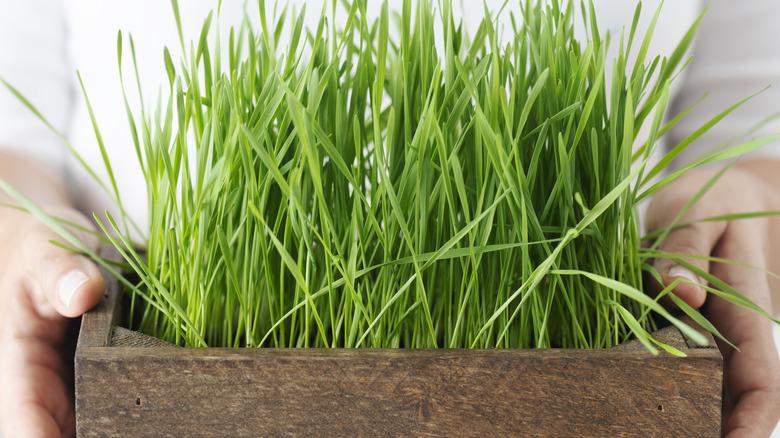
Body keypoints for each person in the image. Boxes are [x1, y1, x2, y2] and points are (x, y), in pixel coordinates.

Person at [1, 1, 779, 437]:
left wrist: (735, 198)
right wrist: (24, 236)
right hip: (143, 318)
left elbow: (757, 133)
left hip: (598, 335)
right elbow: (12, 134)